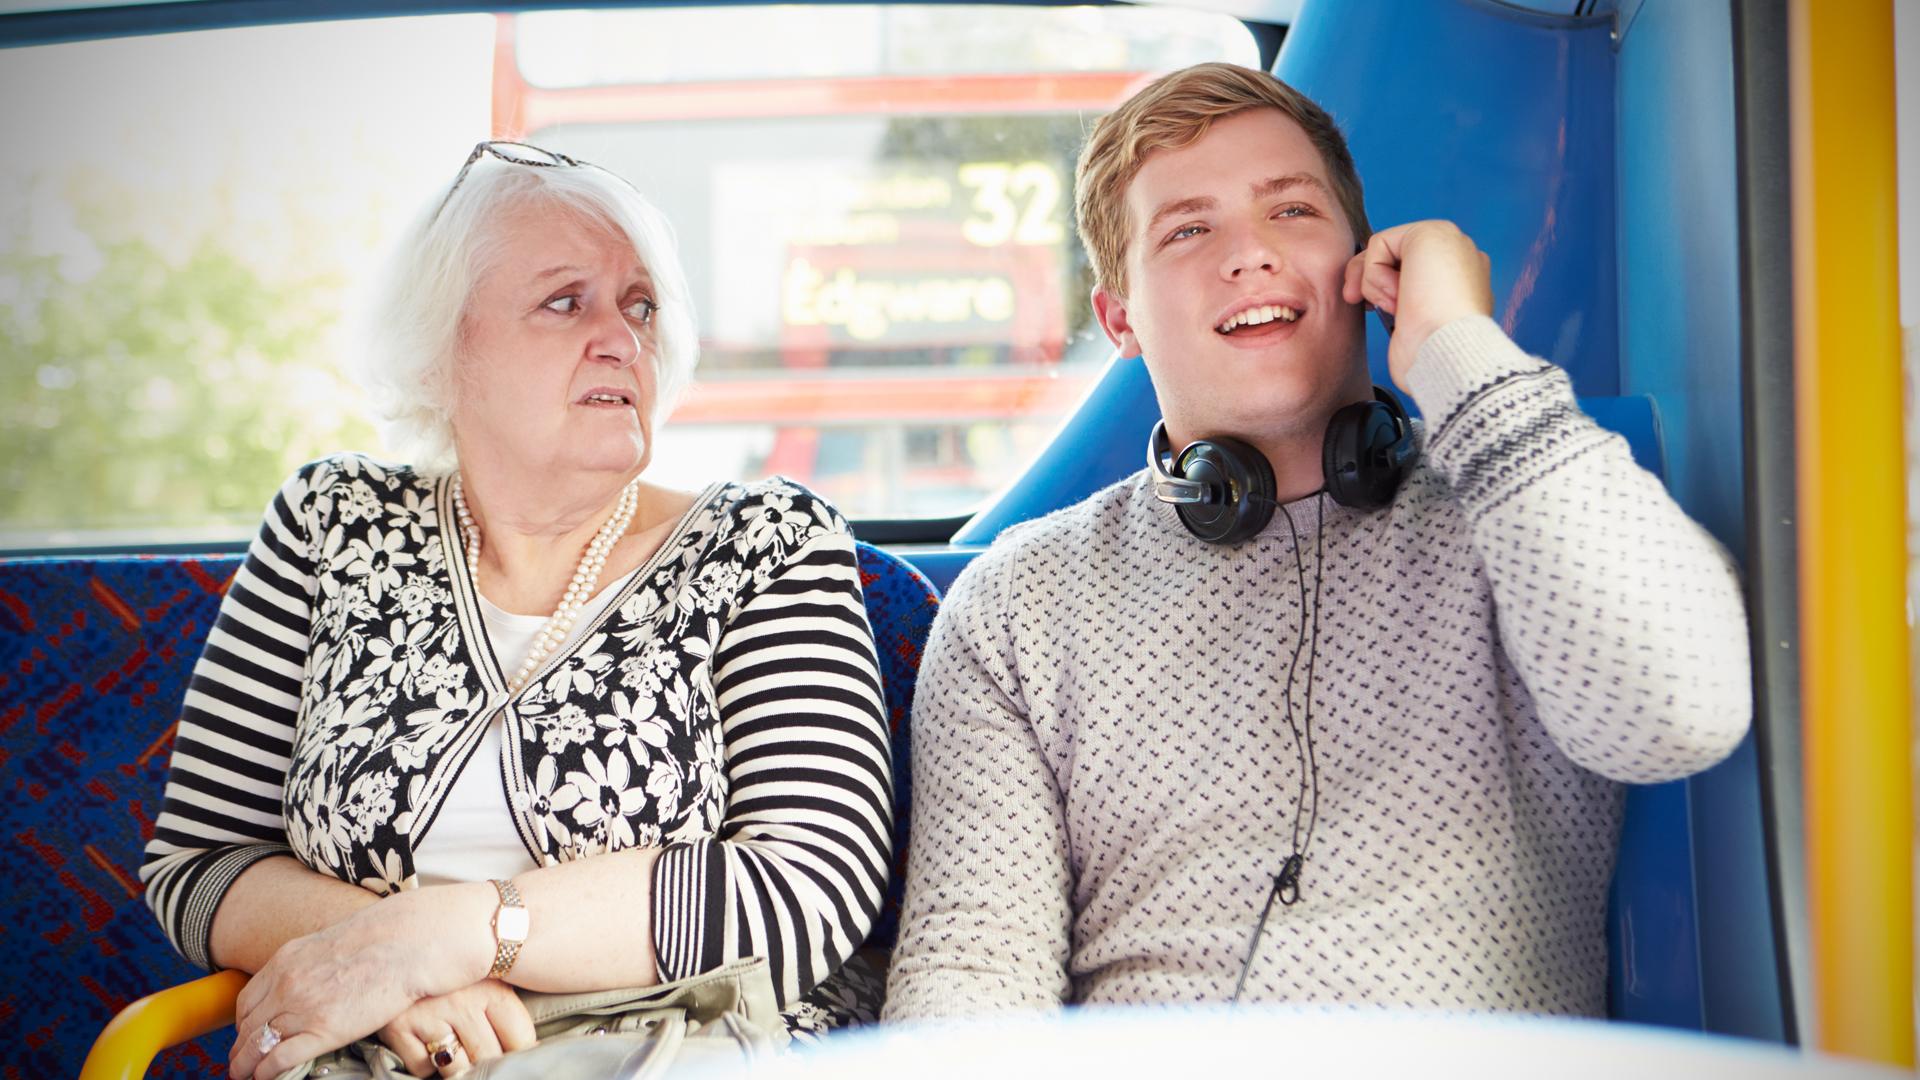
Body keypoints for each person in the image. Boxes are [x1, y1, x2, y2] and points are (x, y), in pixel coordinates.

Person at [883, 63, 1751, 1018]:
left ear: (1363, 262)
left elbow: (1682, 709)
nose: (1249, 255)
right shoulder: (1019, 601)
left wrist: (1457, 344)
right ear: (1119, 316)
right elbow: (968, 977)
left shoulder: (1520, 502)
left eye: (1290, 211)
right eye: (1189, 229)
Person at [140, 141, 892, 1079]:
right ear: (447, 344)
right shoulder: (330, 524)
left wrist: (456, 935)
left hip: (676, 1048)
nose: (623, 335)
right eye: (565, 301)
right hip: (376, 1049)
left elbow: (808, 887)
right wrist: (396, 970)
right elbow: (199, 865)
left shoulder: (766, 541)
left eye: (642, 304)